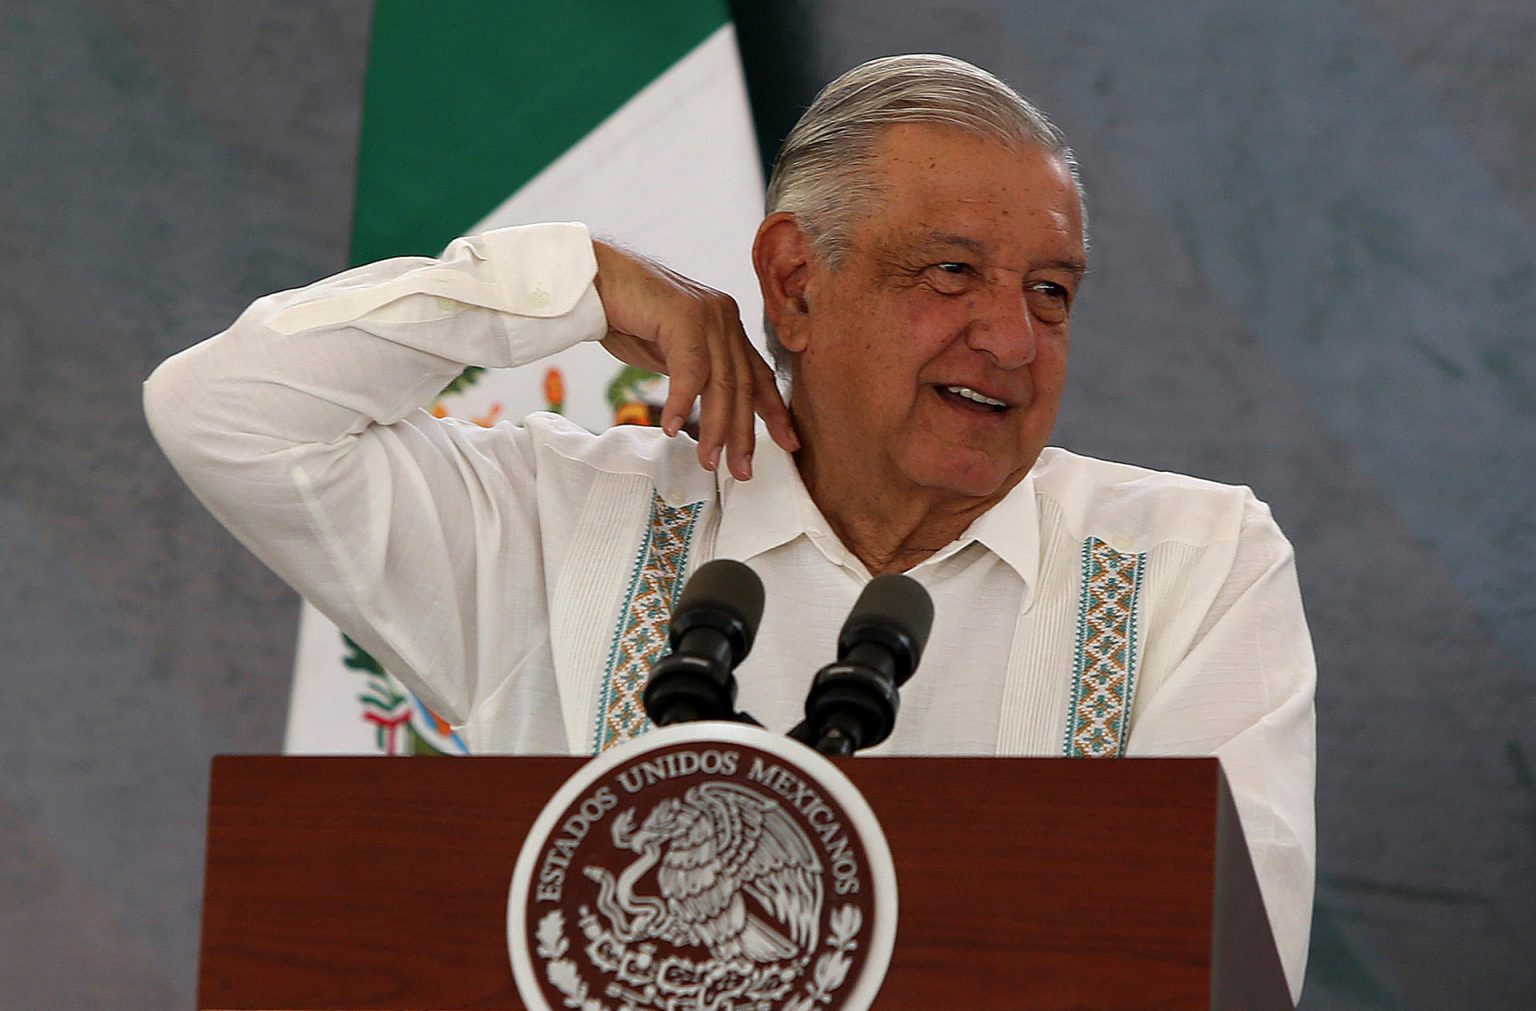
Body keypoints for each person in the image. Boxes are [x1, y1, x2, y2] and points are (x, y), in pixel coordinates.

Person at [144, 55, 1314, 997]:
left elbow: (1220, 964)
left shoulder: (1190, 563)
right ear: (794, 284)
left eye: (1050, 291)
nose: (1011, 339)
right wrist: (576, 283)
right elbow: (224, 414)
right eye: (952, 273)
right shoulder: (562, 523)